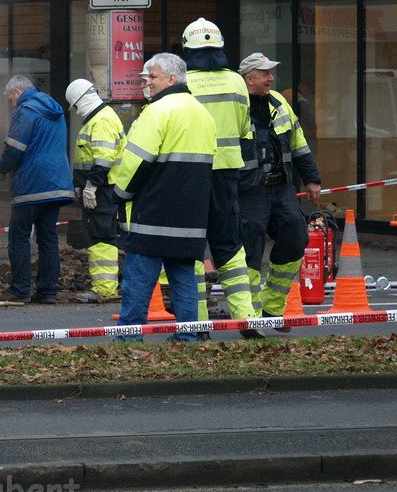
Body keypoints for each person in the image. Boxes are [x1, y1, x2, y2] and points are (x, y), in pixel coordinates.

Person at [110, 53, 217, 342]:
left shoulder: (156, 112)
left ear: (172, 79)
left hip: (154, 213)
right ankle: (188, 336)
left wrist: (119, 195)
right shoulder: (203, 113)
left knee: (139, 278)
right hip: (191, 215)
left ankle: (129, 336)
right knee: (183, 277)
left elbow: (135, 162)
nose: (147, 84)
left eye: (152, 77)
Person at [182, 18, 263, 338]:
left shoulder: (183, 82)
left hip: (190, 173)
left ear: (188, 50)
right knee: (229, 246)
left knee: (193, 248)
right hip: (228, 175)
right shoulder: (235, 82)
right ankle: (246, 319)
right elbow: (245, 131)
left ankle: (200, 323)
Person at [238, 52, 322, 323]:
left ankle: (272, 307)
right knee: (250, 247)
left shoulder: (280, 103)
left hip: (281, 186)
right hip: (250, 188)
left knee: (297, 237)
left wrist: (312, 178)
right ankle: (249, 315)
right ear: (249, 78)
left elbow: (298, 143)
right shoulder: (236, 106)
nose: (271, 78)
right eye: (265, 74)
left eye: (271, 73)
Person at [0, 75, 74, 304]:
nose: (11, 104)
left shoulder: (26, 110)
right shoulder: (54, 110)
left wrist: (0, 170)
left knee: (19, 236)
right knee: (48, 238)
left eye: (10, 99)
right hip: (57, 183)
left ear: (17, 92)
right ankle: (47, 292)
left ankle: (19, 289)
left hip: (32, 183)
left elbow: (15, 149)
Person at [65, 78, 126, 303]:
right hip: (102, 190)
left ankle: (105, 288)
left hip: (103, 191)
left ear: (81, 102)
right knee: (100, 235)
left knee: (101, 238)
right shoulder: (99, 119)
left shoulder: (101, 121)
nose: (77, 111)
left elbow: (103, 159)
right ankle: (104, 286)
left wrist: (91, 187)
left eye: (76, 106)